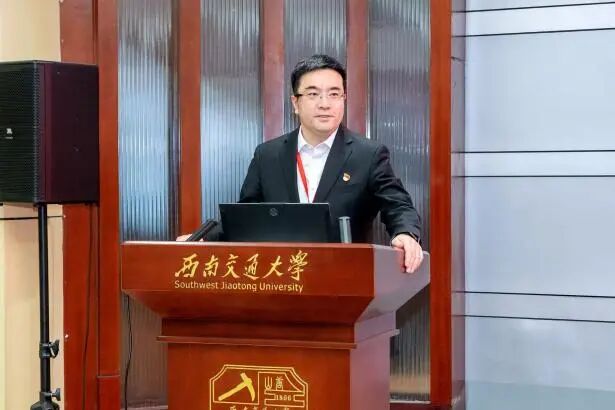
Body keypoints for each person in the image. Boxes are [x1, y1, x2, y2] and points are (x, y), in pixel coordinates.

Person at [184, 54, 424, 273]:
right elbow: (247, 216)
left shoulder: (368, 154)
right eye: (313, 94)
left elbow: (398, 204)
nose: (324, 103)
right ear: (295, 103)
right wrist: (204, 238)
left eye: (334, 94)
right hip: (280, 278)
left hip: (345, 278)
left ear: (344, 99)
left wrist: (405, 233)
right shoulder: (268, 155)